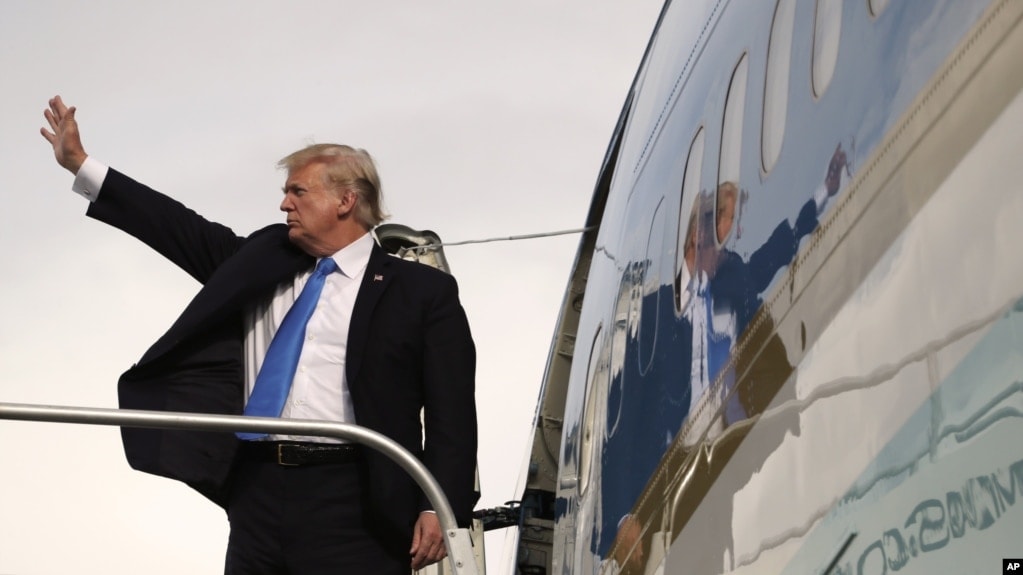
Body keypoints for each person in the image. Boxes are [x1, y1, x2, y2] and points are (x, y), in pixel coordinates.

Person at [40, 95, 478, 574]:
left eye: (298, 192)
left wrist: (440, 507)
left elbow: (451, 415)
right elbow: (177, 227)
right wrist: (82, 166)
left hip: (358, 500)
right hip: (257, 490)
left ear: (346, 201)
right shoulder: (265, 258)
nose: (284, 203)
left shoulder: (420, 290)